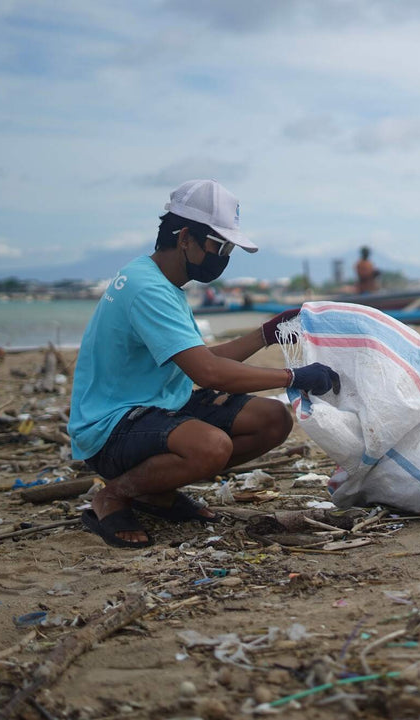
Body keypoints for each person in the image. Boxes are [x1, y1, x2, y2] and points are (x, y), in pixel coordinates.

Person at [68, 179, 340, 548]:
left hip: (158, 406)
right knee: (210, 447)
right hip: (111, 426)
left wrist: (267, 334)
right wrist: (293, 376)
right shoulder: (147, 288)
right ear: (184, 238)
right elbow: (208, 374)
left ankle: (155, 492)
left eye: (228, 247)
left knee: (272, 420)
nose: (224, 256)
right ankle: (114, 495)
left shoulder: (160, 280)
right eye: (219, 245)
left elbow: (201, 359)